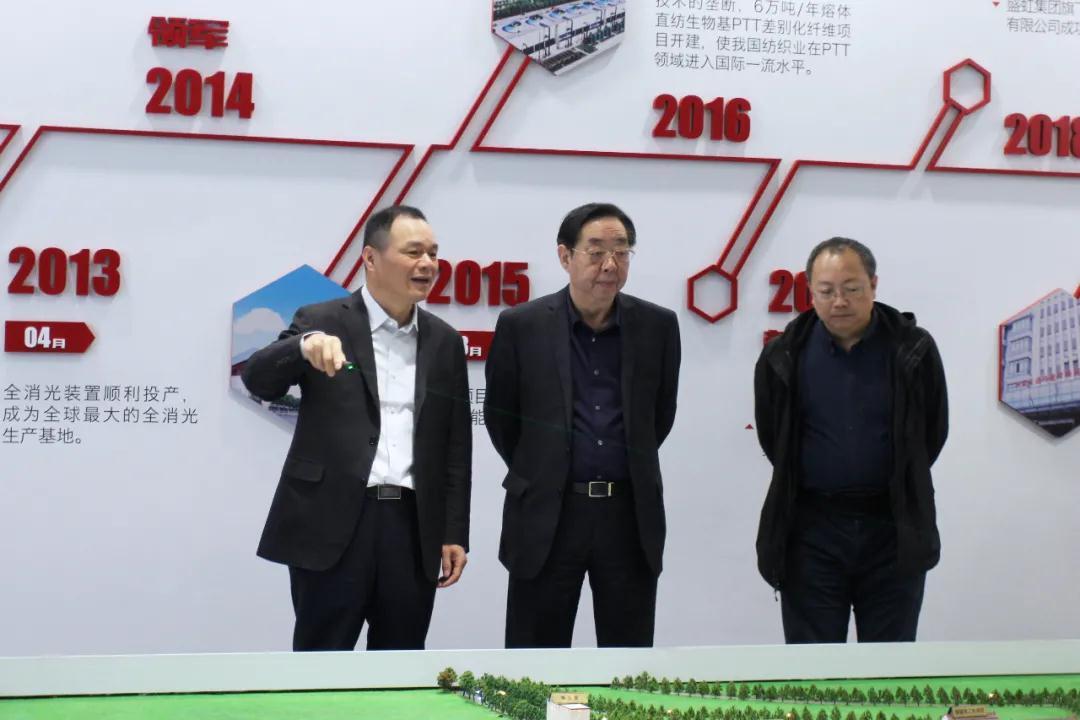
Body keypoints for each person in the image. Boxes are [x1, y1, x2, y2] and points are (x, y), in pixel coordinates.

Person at [242, 205, 472, 651]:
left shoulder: (444, 341)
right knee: (322, 662)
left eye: (433, 253)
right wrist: (302, 346)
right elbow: (257, 379)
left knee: (399, 664)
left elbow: (455, 445)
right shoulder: (322, 321)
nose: (428, 264)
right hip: (332, 521)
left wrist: (453, 532)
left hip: (412, 526)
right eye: (413, 252)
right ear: (370, 258)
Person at [484, 202, 681, 648]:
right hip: (548, 516)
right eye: (596, 252)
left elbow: (659, 418)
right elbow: (502, 418)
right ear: (564, 256)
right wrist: (544, 469)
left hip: (627, 516)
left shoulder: (658, 326)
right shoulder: (522, 325)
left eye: (621, 252)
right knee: (535, 658)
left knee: (627, 659)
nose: (610, 265)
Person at [754, 237, 948, 643]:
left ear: (873, 285)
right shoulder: (784, 354)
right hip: (811, 532)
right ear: (811, 292)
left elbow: (931, 432)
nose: (839, 301)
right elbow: (776, 439)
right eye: (826, 291)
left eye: (852, 288)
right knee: (813, 664)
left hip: (892, 527)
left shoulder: (913, 348)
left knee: (889, 662)